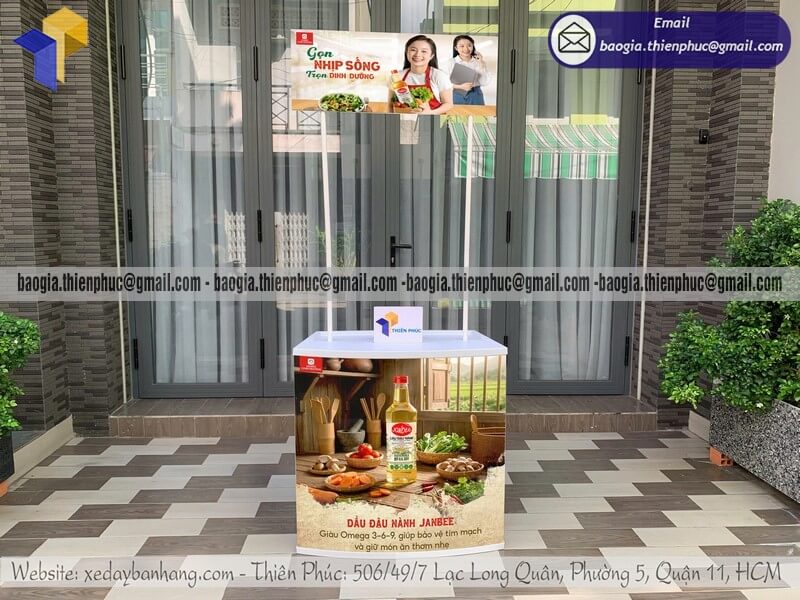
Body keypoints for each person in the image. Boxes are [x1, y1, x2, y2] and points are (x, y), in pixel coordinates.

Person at [390, 35, 454, 115]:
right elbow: (391, 106)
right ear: (407, 53)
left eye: (424, 51)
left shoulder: (439, 76)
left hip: (433, 119)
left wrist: (430, 113)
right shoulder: (397, 76)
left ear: (432, 55)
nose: (418, 54)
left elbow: (448, 104)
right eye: (413, 50)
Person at [449, 35, 489, 106]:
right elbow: (444, 84)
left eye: (469, 45)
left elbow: (484, 82)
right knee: (457, 113)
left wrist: (481, 63)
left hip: (475, 94)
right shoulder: (451, 62)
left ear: (473, 47)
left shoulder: (478, 62)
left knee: (478, 113)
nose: (466, 49)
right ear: (456, 48)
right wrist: (460, 87)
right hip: (457, 94)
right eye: (462, 46)